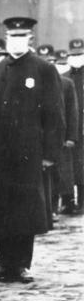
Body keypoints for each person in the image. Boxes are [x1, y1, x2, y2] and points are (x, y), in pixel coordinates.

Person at [0, 17, 64, 285]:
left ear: (30, 38)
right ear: (6, 39)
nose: (16, 41)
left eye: (21, 36)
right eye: (12, 36)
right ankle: (3, 263)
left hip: (29, 154)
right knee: (0, 206)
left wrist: (50, 154)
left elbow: (54, 115)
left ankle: (21, 265)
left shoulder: (44, 69)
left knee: (24, 209)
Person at [36, 45, 77, 226]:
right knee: (42, 176)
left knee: (58, 174)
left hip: (57, 136)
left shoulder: (65, 83)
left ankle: (54, 207)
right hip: (38, 136)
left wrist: (70, 136)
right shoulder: (34, 82)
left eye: (51, 62)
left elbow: (71, 112)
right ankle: (44, 210)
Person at [64, 38, 84, 214]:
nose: (76, 58)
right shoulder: (64, 77)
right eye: (73, 55)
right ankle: (69, 202)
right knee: (71, 167)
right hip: (71, 129)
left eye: (80, 55)